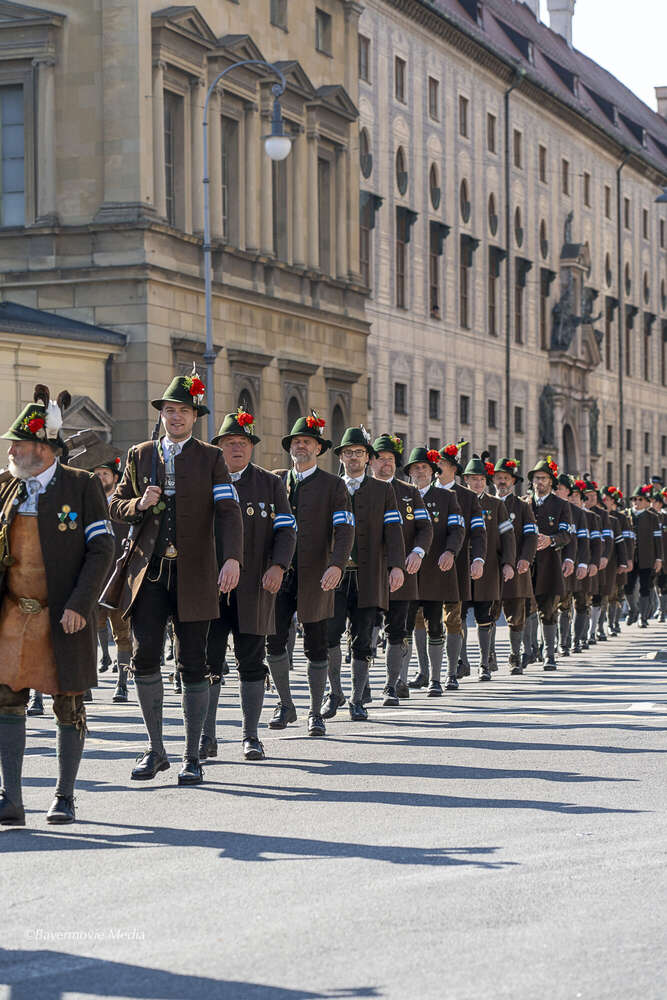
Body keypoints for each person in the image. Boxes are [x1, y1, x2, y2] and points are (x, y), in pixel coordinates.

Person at [109, 369, 243, 786]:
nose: (176, 417)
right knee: (145, 657)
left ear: (195, 415)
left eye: (183, 410)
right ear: (162, 414)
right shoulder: (140, 453)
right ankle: (155, 749)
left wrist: (233, 558)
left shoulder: (210, 457)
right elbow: (114, 505)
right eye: (169, 410)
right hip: (148, 573)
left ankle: (191, 755)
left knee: (193, 663)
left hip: (196, 573)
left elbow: (228, 511)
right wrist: (137, 503)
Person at [0, 384, 115, 825]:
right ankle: (11, 798)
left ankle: (64, 796)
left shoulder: (82, 487)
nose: (11, 450)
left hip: (64, 614)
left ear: (45, 449)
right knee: (7, 699)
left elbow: (102, 551)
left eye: (19, 443)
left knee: (68, 703)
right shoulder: (6, 487)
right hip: (14, 614)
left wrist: (80, 605)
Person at [203, 408, 296, 760]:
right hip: (210, 588)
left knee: (251, 661)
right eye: (229, 442)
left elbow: (286, 530)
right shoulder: (206, 480)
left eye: (242, 442)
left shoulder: (270, 484)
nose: (236, 448)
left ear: (252, 447)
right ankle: (206, 735)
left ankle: (250, 735)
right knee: (207, 662)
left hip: (256, 586)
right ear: (219, 447)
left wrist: (278, 566)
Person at [267, 413, 354, 736]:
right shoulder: (275, 480)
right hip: (278, 572)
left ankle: (315, 711)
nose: (300, 446)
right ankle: (285, 703)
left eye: (306, 441)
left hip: (317, 573)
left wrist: (336, 564)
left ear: (318, 448)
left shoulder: (334, 486)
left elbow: (344, 529)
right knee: (274, 641)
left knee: (316, 643)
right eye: (296, 442)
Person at [325, 426, 405, 721]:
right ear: (341, 457)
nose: (354, 458)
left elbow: (394, 530)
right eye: (349, 452)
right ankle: (334, 691)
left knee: (363, 640)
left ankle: (357, 699)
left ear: (368, 458)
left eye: (360, 453)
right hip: (335, 576)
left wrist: (396, 565)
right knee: (330, 635)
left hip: (369, 575)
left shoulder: (383, 490)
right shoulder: (331, 486)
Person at [369, 434, 433, 705]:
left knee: (398, 628)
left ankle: (392, 683)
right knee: (364, 627)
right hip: (368, 573)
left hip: (402, 572)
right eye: (382, 459)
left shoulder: (409, 493)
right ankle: (360, 686)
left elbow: (425, 528)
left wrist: (418, 552)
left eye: (391, 460)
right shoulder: (361, 490)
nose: (387, 464)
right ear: (371, 461)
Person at [403, 447, 464, 693]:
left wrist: (450, 551)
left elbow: (457, 529)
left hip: (435, 570)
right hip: (406, 571)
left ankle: (436, 679)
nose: (420, 472)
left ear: (432, 472)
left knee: (435, 624)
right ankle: (403, 679)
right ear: (409, 472)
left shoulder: (446, 497)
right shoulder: (401, 496)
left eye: (424, 468)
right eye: (415, 468)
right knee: (404, 625)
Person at [462, 456, 516, 681]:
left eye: (481, 479)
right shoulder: (457, 500)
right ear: (465, 480)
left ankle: (485, 662)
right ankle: (460, 661)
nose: (477, 483)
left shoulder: (496, 504)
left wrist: (508, 563)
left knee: (485, 616)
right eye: (473, 479)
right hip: (461, 570)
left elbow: (508, 536)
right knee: (457, 617)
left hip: (488, 569)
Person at [90, 453, 132, 703]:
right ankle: (87, 680)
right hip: (94, 579)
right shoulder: (86, 504)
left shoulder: (123, 505)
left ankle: (122, 683)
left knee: (122, 632)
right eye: (96, 475)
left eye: (104, 474)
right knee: (88, 629)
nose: (99, 478)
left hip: (118, 579)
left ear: (115, 478)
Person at [491, 458, 538, 674]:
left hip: (518, 567)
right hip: (490, 569)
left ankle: (515, 654)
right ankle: (488, 656)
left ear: (513, 481)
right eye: (499, 478)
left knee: (516, 615)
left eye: (506, 478)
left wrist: (526, 558)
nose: (502, 482)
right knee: (488, 613)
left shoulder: (521, 506)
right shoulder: (487, 502)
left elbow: (531, 536)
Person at [527, 458, 573, 669]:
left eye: (544, 478)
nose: (540, 482)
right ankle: (528, 650)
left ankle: (549, 654)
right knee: (525, 608)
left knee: (548, 609)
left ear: (551, 481)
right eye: (537, 478)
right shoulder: (524, 503)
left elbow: (566, 534)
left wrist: (551, 539)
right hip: (526, 565)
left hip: (550, 564)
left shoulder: (561, 505)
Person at [554, 474, 590, 657]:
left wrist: (583, 563)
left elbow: (583, 541)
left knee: (576, 603)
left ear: (568, 492)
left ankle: (573, 640)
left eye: (560, 488)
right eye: (555, 487)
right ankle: (560, 643)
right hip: (553, 565)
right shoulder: (548, 508)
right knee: (558, 605)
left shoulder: (578, 514)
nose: (557, 491)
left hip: (574, 565)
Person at [627, 484, 663, 627]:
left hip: (647, 558)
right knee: (628, 587)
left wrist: (659, 558)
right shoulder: (626, 515)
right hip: (630, 558)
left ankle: (643, 617)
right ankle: (633, 610)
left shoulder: (652, 517)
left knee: (645, 588)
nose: (636, 502)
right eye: (634, 499)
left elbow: (658, 539)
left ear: (647, 502)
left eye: (640, 499)